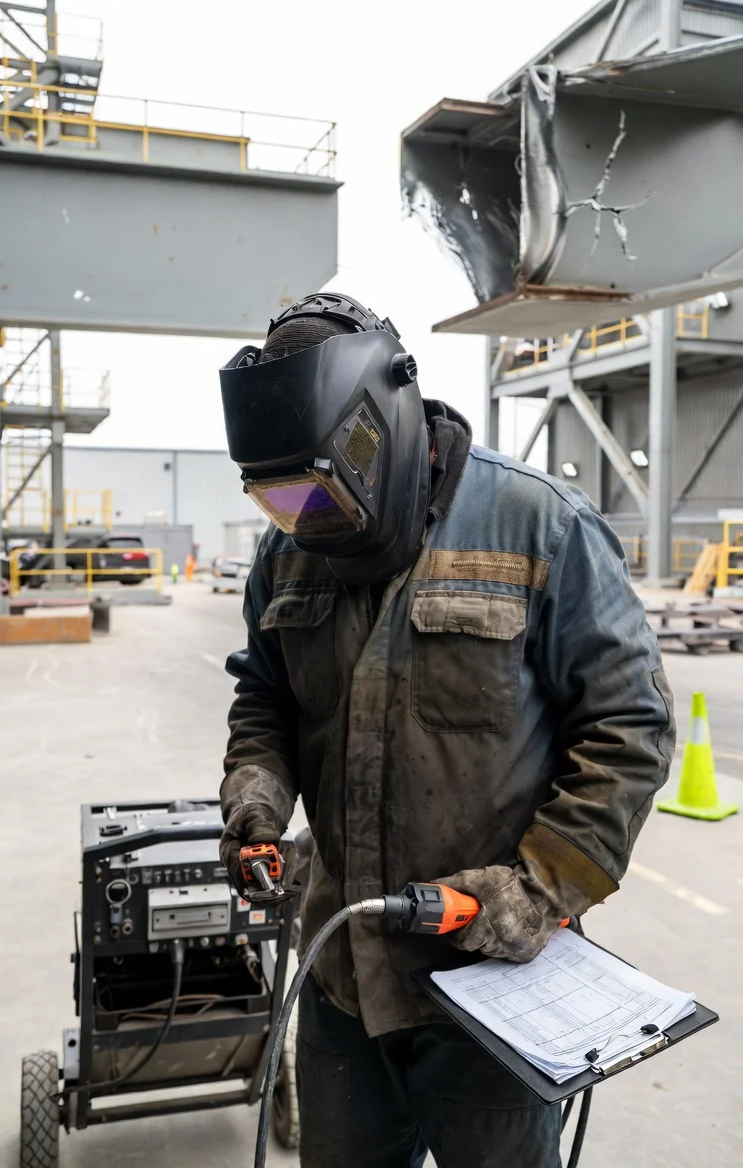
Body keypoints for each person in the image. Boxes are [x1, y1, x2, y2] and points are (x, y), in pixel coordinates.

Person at [218, 293, 675, 1168]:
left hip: (493, 988)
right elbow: (265, 700)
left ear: (383, 423)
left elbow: (629, 726)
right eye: (283, 500)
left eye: (321, 485)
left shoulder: (538, 525)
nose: (311, 520)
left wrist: (538, 892)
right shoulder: (290, 552)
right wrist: (257, 796)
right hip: (344, 983)